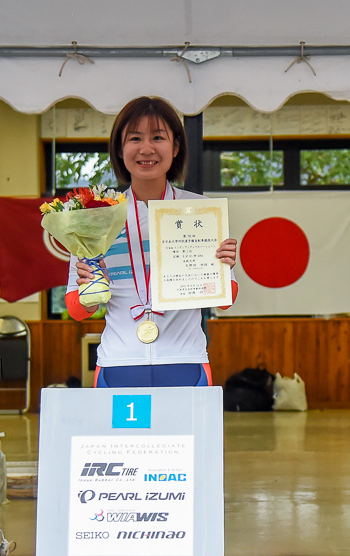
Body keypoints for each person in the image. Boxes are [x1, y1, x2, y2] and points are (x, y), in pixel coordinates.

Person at [65, 96, 238, 388]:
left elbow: (226, 302)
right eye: (135, 138)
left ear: (176, 147)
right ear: (120, 149)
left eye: (158, 137)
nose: (147, 149)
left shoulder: (202, 211)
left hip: (186, 362)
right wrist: (91, 288)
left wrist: (223, 268)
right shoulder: (96, 215)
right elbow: (76, 310)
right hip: (118, 364)